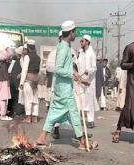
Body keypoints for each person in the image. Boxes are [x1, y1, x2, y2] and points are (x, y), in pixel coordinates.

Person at [36, 20, 96, 150]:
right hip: (64, 89)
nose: (76, 35)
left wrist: (78, 77)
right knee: (74, 112)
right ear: (71, 32)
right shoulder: (63, 48)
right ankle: (81, 142)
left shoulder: (66, 46)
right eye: (75, 32)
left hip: (63, 86)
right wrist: (73, 75)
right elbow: (58, 69)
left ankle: (42, 137)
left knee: (54, 112)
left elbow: (68, 67)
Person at [76, 34, 97, 128]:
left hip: (89, 81)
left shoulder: (91, 53)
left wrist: (87, 72)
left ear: (87, 42)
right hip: (80, 79)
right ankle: (79, 119)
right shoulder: (80, 52)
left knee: (89, 100)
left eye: (82, 41)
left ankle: (90, 120)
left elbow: (94, 68)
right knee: (80, 99)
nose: (81, 42)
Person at [19, 39, 41, 123]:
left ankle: (28, 117)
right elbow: (39, 70)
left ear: (28, 47)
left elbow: (24, 70)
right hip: (35, 81)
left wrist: (21, 83)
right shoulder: (38, 57)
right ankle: (35, 117)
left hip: (28, 81)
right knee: (35, 100)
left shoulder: (27, 57)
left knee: (28, 99)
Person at [7, 46, 24, 117]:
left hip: (13, 80)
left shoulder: (14, 60)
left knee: (13, 96)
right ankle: (17, 111)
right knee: (17, 96)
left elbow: (9, 70)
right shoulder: (23, 60)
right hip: (17, 80)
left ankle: (12, 110)